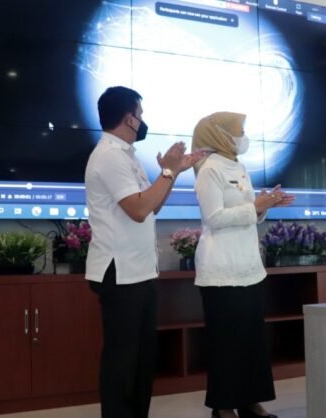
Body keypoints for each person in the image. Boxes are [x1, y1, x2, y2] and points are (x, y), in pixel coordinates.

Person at [84, 86, 205, 418]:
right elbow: (138, 210)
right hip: (120, 271)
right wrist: (167, 171)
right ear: (129, 119)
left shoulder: (127, 156)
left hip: (140, 270)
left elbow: (152, 206)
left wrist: (173, 172)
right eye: (140, 114)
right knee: (122, 362)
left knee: (141, 360)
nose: (143, 120)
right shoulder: (109, 156)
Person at [191, 112, 294, 418]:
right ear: (221, 135)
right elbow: (214, 218)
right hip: (221, 268)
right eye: (239, 131)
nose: (243, 137)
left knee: (251, 339)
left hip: (248, 266)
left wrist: (264, 206)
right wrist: (255, 207)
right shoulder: (209, 169)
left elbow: (249, 212)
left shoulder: (239, 166)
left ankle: (250, 402)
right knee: (227, 341)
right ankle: (223, 407)